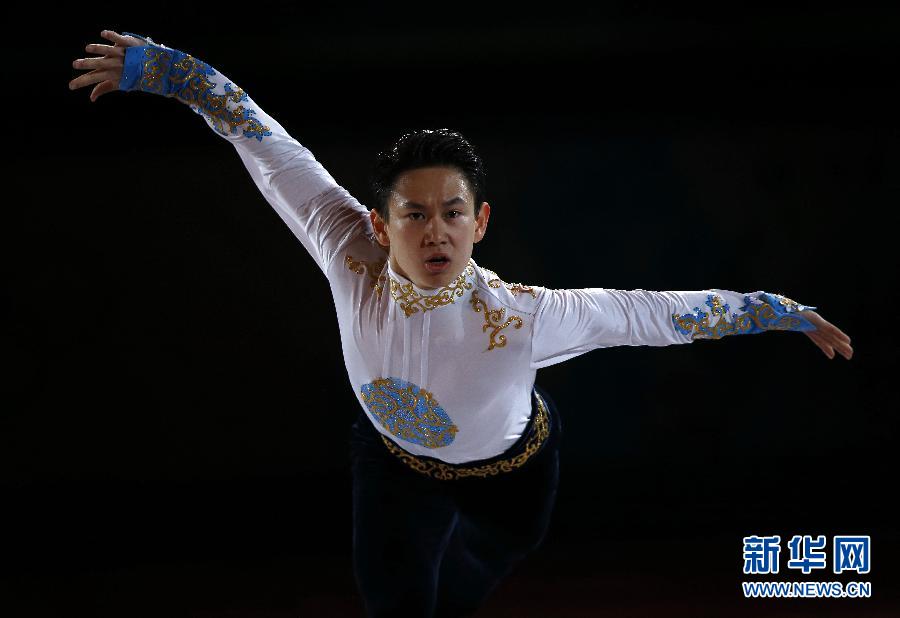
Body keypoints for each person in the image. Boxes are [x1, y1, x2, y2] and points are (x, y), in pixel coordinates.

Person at [69, 30, 854, 617]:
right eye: (414, 215)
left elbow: (661, 314)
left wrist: (781, 314)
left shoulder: (522, 317)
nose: (434, 231)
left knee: (481, 574)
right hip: (389, 467)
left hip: (512, 477)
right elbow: (262, 138)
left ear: (479, 221)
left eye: (452, 214)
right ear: (380, 224)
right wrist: (164, 71)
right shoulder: (344, 245)